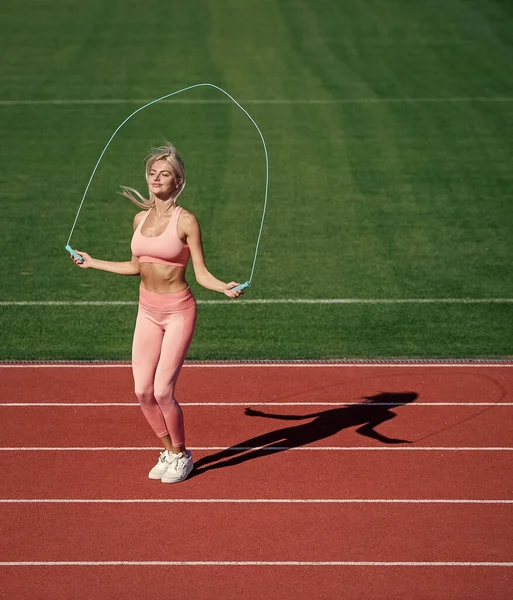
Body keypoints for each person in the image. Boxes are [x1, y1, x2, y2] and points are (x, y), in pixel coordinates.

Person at [71, 143, 243, 483]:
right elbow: (136, 266)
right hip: (147, 310)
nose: (156, 178)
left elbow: (201, 273)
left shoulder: (187, 221)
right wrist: (93, 263)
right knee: (142, 391)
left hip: (178, 311)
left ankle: (182, 455)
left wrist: (223, 286)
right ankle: (169, 450)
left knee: (163, 390)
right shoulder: (140, 218)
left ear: (178, 182)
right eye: (153, 173)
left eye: (164, 174)